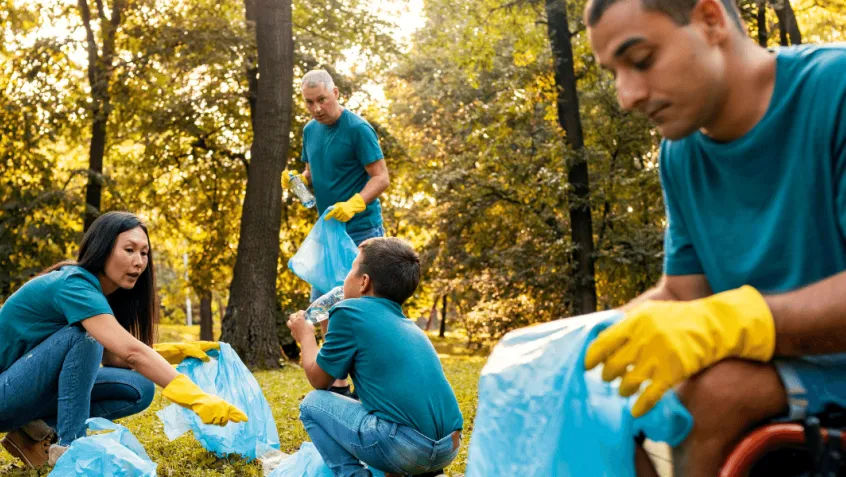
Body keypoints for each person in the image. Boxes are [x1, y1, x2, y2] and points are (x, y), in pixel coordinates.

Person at [581, 0, 846, 475]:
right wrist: (580, 345)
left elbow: (707, 318)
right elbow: (684, 293)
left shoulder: (837, 89)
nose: (627, 95)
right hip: (787, 368)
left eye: (640, 61)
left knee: (715, 394)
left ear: (710, 18)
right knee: (607, 394)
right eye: (613, 74)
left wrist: (733, 322)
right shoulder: (679, 154)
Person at [0, 211, 247, 469]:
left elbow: (112, 356)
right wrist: (196, 397)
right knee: (85, 337)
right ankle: (71, 453)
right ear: (102, 249)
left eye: (144, 252)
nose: (139, 262)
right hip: (5, 395)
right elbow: (128, 352)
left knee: (139, 388)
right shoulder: (74, 285)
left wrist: (174, 352)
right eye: (129, 250)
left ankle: (33, 434)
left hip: (24, 390)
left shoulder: (98, 294)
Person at [287, 237, 463, 477]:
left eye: (351, 269)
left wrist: (306, 337)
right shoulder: (407, 325)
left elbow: (320, 381)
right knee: (382, 414)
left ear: (364, 282)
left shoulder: (348, 311)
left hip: (408, 448)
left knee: (311, 403)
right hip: (448, 446)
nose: (345, 278)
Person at [283, 68, 391, 398]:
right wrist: (298, 184)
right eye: (309, 102)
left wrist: (355, 203)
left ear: (337, 93)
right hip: (328, 233)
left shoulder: (358, 129)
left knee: (359, 306)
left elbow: (381, 177)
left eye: (322, 100)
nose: (316, 108)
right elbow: (312, 172)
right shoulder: (309, 132)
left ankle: (371, 384)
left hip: (361, 230)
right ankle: (339, 383)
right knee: (324, 305)